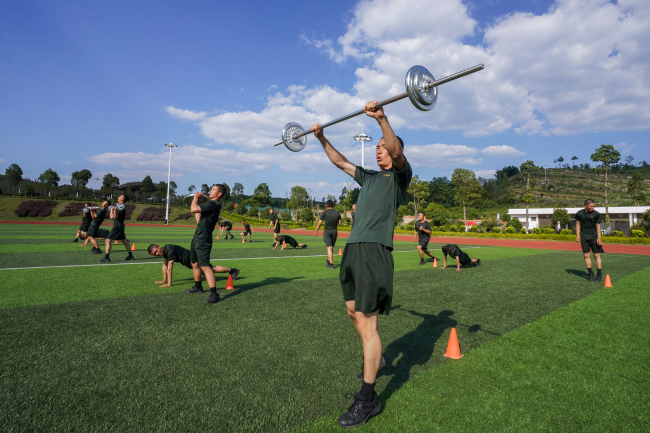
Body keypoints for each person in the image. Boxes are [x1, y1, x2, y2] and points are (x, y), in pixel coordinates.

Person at [311, 100, 412, 428]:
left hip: (374, 252)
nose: (381, 150)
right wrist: (321, 138)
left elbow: (397, 152)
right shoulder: (368, 178)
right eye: (378, 148)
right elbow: (340, 161)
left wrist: (381, 118)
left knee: (368, 325)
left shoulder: (399, 178)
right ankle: (379, 357)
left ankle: (368, 399)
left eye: (384, 147)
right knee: (353, 312)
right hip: (353, 250)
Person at [186, 185, 226, 304]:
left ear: (219, 194)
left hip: (203, 239)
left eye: (213, 189)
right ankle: (198, 287)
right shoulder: (210, 205)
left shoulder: (214, 204)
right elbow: (198, 218)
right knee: (195, 263)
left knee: (205, 265)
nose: (210, 191)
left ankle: (214, 294)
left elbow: (193, 209)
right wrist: (198, 204)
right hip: (197, 237)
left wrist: (195, 198)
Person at [148, 244, 239, 287]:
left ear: (159, 246)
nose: (157, 254)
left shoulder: (169, 250)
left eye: (156, 251)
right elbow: (164, 265)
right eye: (154, 254)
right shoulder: (165, 251)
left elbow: (169, 268)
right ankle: (231, 271)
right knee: (209, 270)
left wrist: (169, 283)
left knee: (211, 269)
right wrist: (164, 280)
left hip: (195, 259)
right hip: (192, 261)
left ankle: (232, 270)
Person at [98, 195, 134, 262]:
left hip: (117, 226)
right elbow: (111, 217)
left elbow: (115, 216)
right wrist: (112, 210)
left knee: (108, 240)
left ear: (122, 199)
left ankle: (106, 258)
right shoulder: (119, 206)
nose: (118, 197)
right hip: (120, 226)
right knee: (124, 241)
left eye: (119, 197)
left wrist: (115, 210)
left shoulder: (121, 207)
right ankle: (130, 256)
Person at [575, 199, 604, 281]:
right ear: (586, 206)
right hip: (584, 237)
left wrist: (599, 238)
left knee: (596, 255)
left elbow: (598, 225)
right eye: (591, 206)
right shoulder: (579, 213)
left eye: (594, 206)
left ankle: (599, 274)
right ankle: (590, 273)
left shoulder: (596, 214)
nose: (593, 208)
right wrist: (577, 235)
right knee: (586, 255)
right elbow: (577, 223)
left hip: (594, 237)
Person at [314, 199, 341, 269]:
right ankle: (329, 260)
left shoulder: (324, 213)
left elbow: (319, 223)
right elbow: (340, 224)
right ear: (333, 205)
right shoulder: (337, 213)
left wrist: (316, 231)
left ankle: (331, 264)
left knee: (329, 247)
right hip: (334, 232)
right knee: (331, 247)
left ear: (326, 205)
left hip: (327, 231)